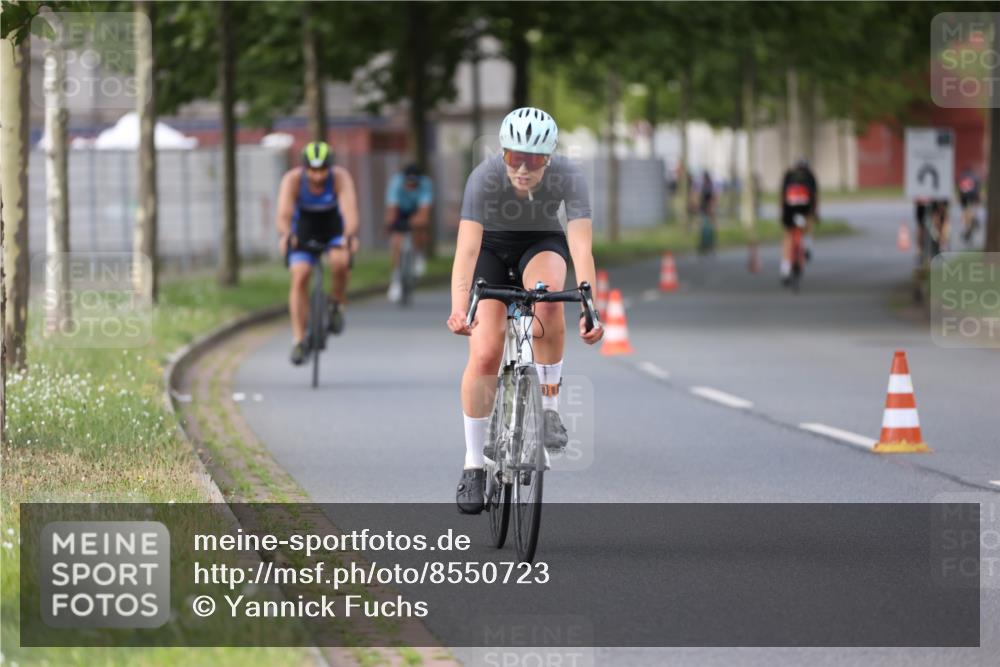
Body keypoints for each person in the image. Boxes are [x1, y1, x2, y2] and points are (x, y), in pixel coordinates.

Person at [446, 107, 604, 514]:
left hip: (541, 244)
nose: (522, 168)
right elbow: (465, 251)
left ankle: (549, 410)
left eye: (533, 160)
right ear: (503, 153)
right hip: (490, 251)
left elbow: (581, 247)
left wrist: (591, 306)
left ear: (549, 158)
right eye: (515, 157)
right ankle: (474, 464)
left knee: (550, 300)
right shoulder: (484, 178)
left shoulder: (570, 177)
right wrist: (458, 307)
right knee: (484, 352)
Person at [276, 141, 360, 365]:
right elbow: (284, 214)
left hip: (333, 230)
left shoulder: (340, 178)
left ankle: (336, 304)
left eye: (323, 169)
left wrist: (348, 236)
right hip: (303, 232)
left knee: (340, 261)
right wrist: (287, 235)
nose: (318, 175)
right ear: (305, 168)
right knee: (300, 275)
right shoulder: (293, 180)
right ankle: (299, 340)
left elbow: (350, 211)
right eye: (313, 170)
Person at [384, 163, 433, 302]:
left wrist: (416, 223)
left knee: (420, 228)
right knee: (396, 241)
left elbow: (424, 213)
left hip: (416, 210)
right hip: (401, 211)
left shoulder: (426, 184)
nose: (411, 186)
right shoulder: (396, 183)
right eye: (408, 183)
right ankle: (396, 279)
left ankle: (418, 255)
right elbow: (392, 210)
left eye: (414, 184)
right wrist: (391, 225)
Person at [780, 158, 818, 284]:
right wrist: (815, 213)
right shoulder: (810, 176)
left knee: (788, 235)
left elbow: (782, 196)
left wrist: (782, 212)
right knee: (807, 222)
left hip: (789, 208)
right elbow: (815, 197)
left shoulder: (788, 175)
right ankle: (807, 246)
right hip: (804, 208)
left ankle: (785, 269)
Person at [958, 165, 981, 244]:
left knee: (965, 212)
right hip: (972, 196)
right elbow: (977, 188)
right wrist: (978, 199)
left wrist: (960, 198)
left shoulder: (963, 175)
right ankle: (971, 221)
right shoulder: (974, 176)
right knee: (971, 212)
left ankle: (967, 225)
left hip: (964, 197)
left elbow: (960, 187)